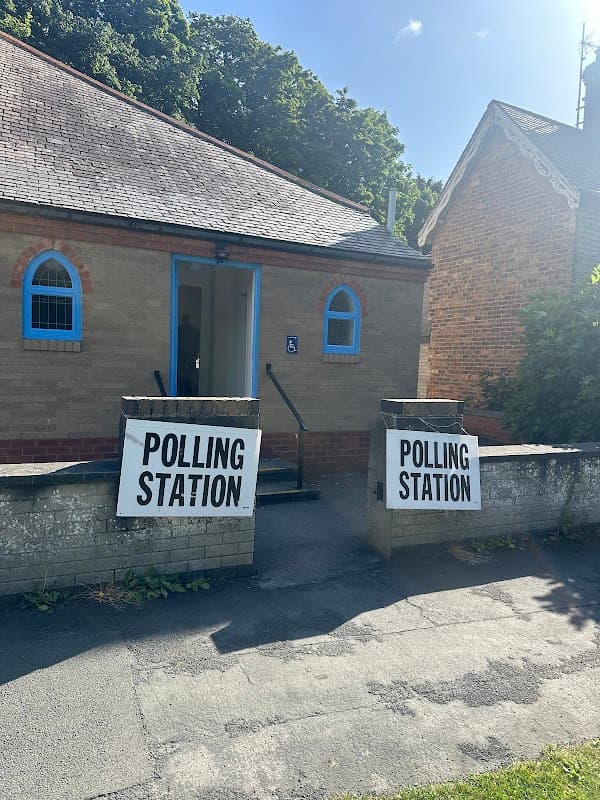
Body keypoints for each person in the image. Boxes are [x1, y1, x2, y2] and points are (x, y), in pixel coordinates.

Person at [177, 313, 200, 395]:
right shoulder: (195, 331)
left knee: (181, 375)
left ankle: (180, 393)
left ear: (182, 321)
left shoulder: (178, 330)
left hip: (181, 356)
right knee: (193, 376)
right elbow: (198, 344)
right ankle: (194, 394)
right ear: (190, 321)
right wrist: (196, 354)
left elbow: (176, 343)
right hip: (191, 356)